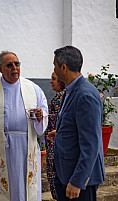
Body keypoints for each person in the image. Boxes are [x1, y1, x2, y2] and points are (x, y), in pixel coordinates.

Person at [0, 51, 48, 201]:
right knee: (3, 188)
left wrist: (40, 115)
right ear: (0, 69)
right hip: (1, 146)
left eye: (17, 64)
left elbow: (44, 112)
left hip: (26, 146)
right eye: (9, 65)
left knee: (26, 188)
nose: (14, 68)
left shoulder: (33, 89)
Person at [51, 46, 105, 200]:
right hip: (65, 174)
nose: (54, 70)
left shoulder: (85, 95)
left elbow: (91, 143)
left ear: (63, 67)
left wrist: (78, 181)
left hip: (78, 181)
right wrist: (61, 134)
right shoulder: (71, 91)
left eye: (55, 65)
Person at [43, 72, 65, 199]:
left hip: (55, 147)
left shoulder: (60, 97)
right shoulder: (63, 96)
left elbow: (53, 121)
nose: (51, 82)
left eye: (54, 79)